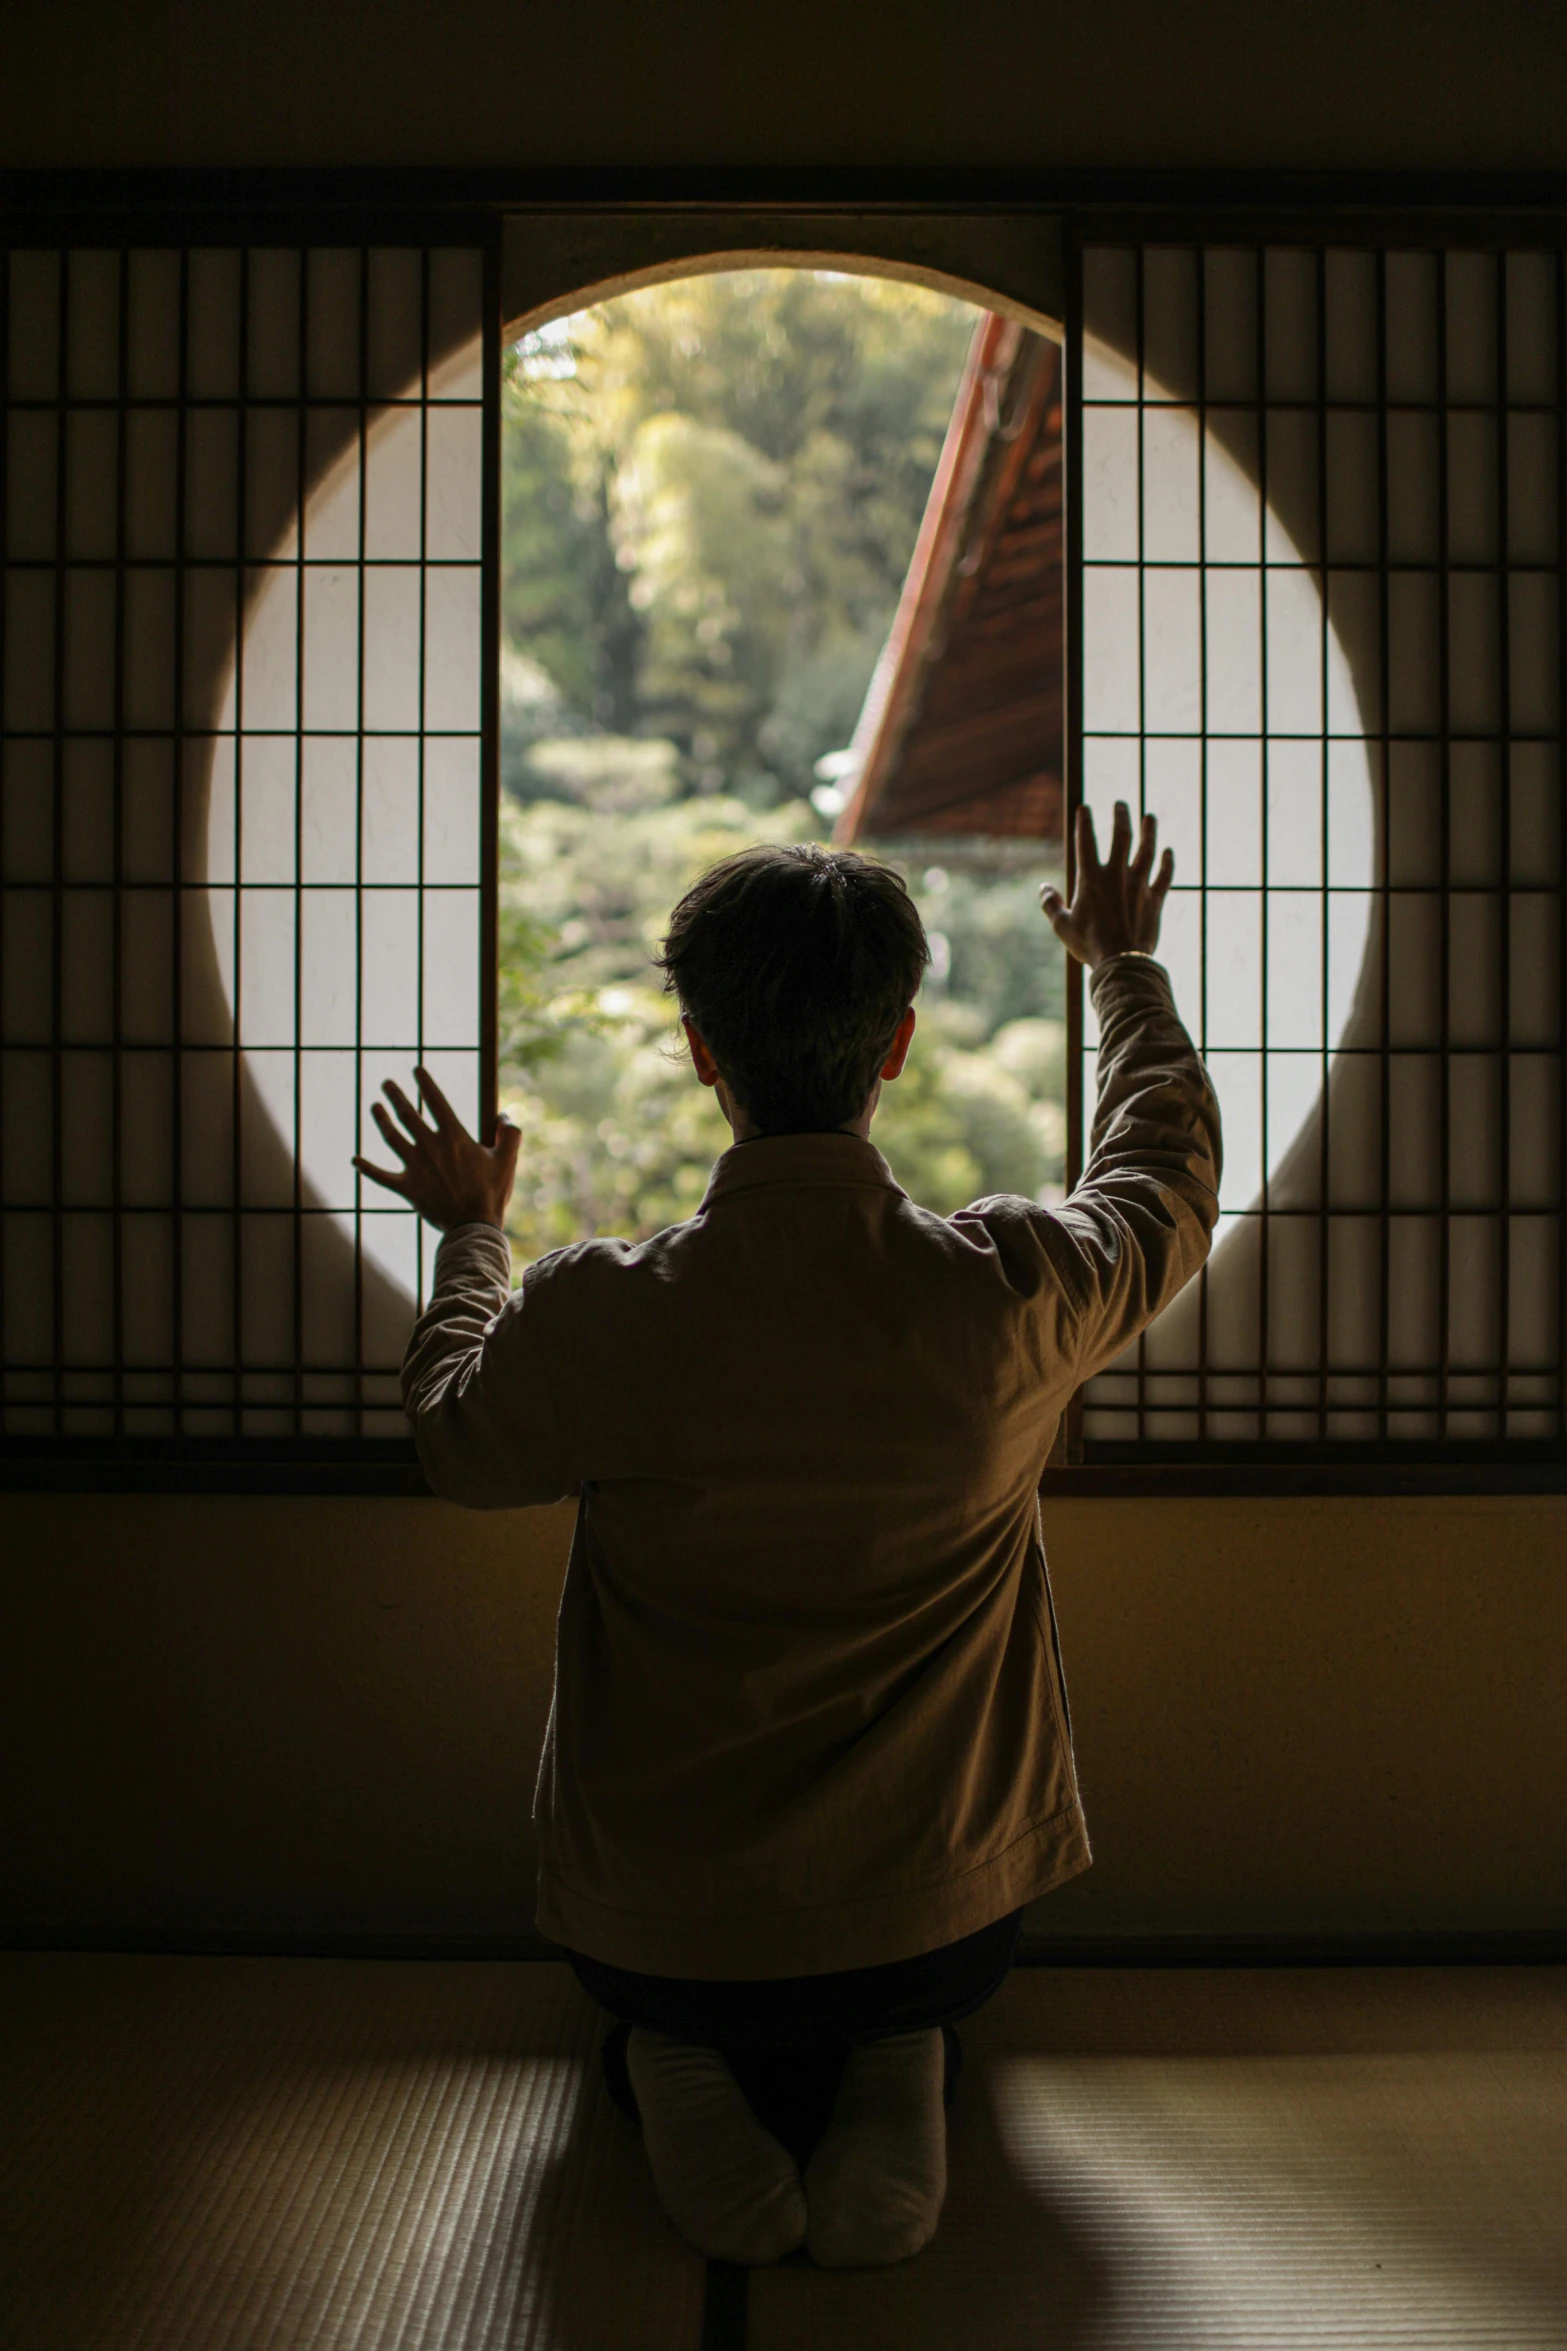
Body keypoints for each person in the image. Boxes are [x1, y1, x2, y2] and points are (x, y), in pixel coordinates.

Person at [355, 800, 1220, 2269]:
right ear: (894, 1044)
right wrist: (1118, 968)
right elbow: (1162, 1177)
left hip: (653, 1926)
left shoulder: (603, 1311)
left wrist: (469, 1237)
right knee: (911, 1988)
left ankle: (676, 2059)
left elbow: (454, 1430)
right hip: (946, 1918)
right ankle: (897, 2058)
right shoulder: (1006, 1292)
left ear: (701, 1050)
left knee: (663, 2004)